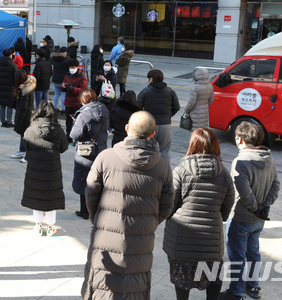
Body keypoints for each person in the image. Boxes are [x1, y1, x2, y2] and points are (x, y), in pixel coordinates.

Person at [82, 111, 173, 299]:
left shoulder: (106, 157)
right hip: (141, 238)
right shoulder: (163, 166)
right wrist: (148, 223)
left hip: (105, 235)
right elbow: (167, 206)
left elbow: (90, 193)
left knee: (101, 283)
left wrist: (98, 219)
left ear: (126, 129)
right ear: (152, 134)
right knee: (135, 285)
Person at [164, 128, 235, 300]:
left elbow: (170, 204)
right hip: (211, 240)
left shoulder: (181, 171)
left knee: (182, 283)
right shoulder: (224, 173)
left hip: (182, 239)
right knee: (213, 280)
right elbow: (228, 205)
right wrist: (217, 217)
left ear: (192, 145)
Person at [220, 121, 280, 300]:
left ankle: (236, 291)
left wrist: (255, 208)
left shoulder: (241, 161)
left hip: (241, 217)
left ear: (240, 139)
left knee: (237, 255)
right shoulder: (268, 157)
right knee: (253, 253)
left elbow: (243, 191)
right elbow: (276, 185)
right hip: (259, 218)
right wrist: (263, 207)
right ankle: (252, 287)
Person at [22, 100, 69, 236]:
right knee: (51, 198)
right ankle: (50, 227)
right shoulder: (58, 130)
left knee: (36, 197)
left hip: (34, 170)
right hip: (52, 171)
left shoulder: (31, 129)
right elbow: (64, 147)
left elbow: (26, 145)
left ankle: (38, 226)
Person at [70, 88, 109, 219]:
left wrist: (76, 123)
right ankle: (98, 209)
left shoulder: (84, 114)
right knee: (97, 179)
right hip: (101, 149)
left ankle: (85, 211)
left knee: (84, 180)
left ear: (84, 100)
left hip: (86, 152)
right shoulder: (103, 109)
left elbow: (75, 134)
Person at [137, 69, 180, 162]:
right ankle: (165, 171)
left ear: (151, 79)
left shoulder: (145, 91)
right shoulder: (170, 91)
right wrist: (168, 116)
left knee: (150, 150)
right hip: (165, 124)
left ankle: (151, 170)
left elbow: (137, 107)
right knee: (165, 150)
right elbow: (177, 107)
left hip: (150, 124)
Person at [11, 70, 37, 161]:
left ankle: (28, 153)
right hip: (26, 114)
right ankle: (22, 150)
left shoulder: (25, 91)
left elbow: (24, 108)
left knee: (26, 135)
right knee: (23, 134)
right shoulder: (23, 88)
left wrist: (19, 120)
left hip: (27, 116)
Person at [61, 59, 88, 139]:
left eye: (73, 67)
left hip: (77, 102)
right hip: (68, 102)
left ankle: (77, 136)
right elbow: (63, 86)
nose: (71, 69)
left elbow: (83, 90)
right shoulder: (67, 75)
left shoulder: (82, 76)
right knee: (68, 121)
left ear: (77, 67)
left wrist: (72, 89)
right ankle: (68, 135)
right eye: (70, 67)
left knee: (77, 121)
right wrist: (63, 87)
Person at [0, 48, 18, 127]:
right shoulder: (13, 65)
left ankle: (2, 121)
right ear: (11, 55)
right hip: (11, 88)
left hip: (1, 87)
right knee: (10, 105)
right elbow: (16, 77)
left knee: (2, 105)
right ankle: (9, 122)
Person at [50, 47, 70, 113]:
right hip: (64, 79)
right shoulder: (67, 59)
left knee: (56, 94)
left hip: (55, 78)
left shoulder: (54, 58)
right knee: (63, 94)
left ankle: (55, 107)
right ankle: (63, 108)